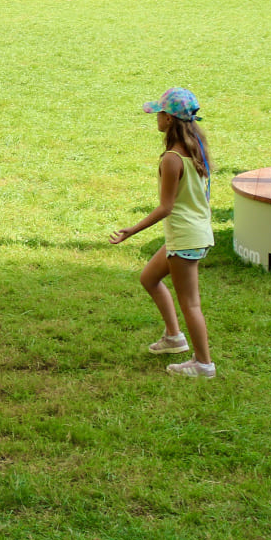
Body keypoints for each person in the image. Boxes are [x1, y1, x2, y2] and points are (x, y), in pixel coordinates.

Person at [109, 88, 217, 378]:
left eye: (159, 113)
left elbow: (166, 207)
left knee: (191, 304)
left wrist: (131, 230)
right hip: (193, 232)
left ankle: (203, 364)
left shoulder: (172, 158)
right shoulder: (195, 147)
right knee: (149, 277)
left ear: (169, 119)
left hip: (184, 238)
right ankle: (173, 337)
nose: (156, 117)